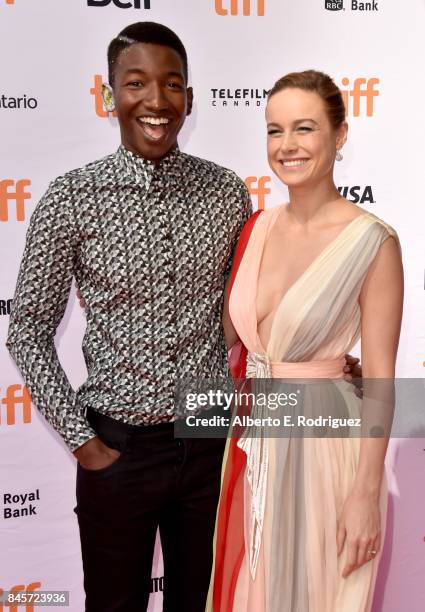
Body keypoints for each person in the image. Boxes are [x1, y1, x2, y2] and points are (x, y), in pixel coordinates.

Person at [6, 22, 361, 612]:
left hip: (211, 443)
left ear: (189, 100)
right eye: (136, 83)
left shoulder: (225, 193)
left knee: (207, 601)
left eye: (172, 85)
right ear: (108, 95)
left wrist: (319, 364)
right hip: (117, 447)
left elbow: (247, 311)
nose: (155, 100)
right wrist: (85, 444)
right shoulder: (70, 198)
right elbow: (27, 330)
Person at [207, 70, 403, 611]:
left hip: (324, 454)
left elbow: (382, 381)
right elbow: (234, 338)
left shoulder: (374, 242)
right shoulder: (257, 227)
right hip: (253, 442)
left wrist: (365, 493)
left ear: (339, 136)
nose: (287, 146)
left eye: (304, 128)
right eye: (274, 130)